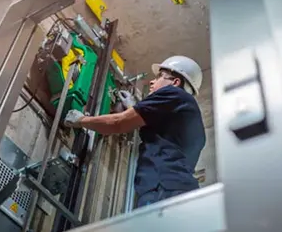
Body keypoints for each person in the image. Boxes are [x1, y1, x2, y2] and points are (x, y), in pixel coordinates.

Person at [64, 55, 205, 208]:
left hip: (164, 191)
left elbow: (118, 123)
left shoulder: (174, 94)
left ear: (175, 82)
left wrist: (80, 120)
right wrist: (133, 107)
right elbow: (162, 138)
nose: (152, 81)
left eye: (159, 77)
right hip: (176, 191)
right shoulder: (184, 110)